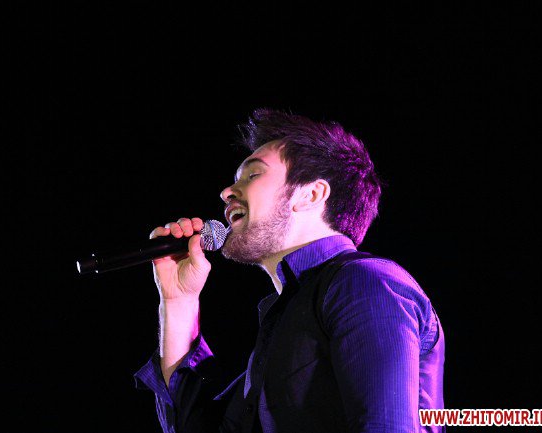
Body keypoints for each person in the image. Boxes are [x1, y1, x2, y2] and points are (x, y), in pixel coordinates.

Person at [134, 109, 445, 433]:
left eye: (253, 174)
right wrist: (179, 300)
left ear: (311, 195)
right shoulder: (288, 316)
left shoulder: (365, 283)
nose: (227, 191)